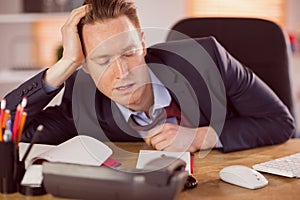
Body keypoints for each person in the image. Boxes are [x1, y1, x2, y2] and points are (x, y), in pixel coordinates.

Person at [5, 0, 295, 153]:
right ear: (85, 65)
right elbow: (8, 129)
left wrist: (201, 137)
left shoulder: (207, 58)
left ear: (143, 43)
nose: (123, 73)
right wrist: (64, 64)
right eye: (102, 60)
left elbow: (280, 123)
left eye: (129, 53)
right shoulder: (81, 98)